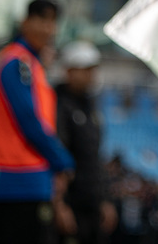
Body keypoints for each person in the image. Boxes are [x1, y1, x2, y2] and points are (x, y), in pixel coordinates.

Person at [0, 0, 75, 244]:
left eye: (52, 22)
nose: (47, 28)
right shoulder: (17, 63)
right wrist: (62, 161)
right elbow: (29, 120)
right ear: (25, 22)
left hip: (26, 179)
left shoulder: (31, 65)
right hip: (16, 180)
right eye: (42, 19)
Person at [54, 40, 117, 244]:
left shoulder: (91, 106)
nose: (91, 75)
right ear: (69, 70)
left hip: (91, 205)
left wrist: (105, 199)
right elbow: (56, 156)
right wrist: (59, 204)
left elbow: (95, 157)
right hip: (71, 204)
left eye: (93, 69)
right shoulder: (57, 104)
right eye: (85, 69)